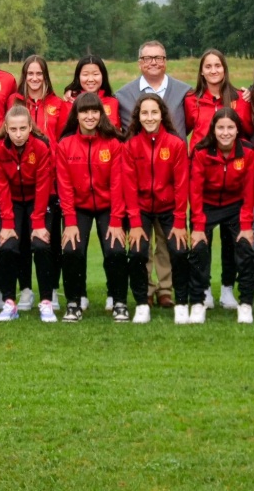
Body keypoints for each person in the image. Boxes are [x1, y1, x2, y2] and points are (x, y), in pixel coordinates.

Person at [114, 41, 192, 310]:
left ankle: (166, 290)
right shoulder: (123, 94)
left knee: (169, 245)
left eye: (158, 57)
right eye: (147, 58)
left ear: (166, 60)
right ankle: (146, 290)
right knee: (141, 246)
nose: (153, 62)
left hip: (170, 182)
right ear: (139, 62)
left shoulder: (184, 91)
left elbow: (193, 122)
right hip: (140, 188)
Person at [56, 93, 127, 323]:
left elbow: (118, 184)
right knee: (71, 249)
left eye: (94, 111)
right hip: (78, 208)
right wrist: (70, 222)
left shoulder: (113, 143)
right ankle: (74, 303)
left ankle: (119, 302)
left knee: (115, 250)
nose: (89, 116)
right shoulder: (65, 144)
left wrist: (116, 221)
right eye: (84, 111)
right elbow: (64, 186)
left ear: (101, 114)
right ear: (76, 115)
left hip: (109, 207)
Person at [122, 93, 189, 324]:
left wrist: (180, 223)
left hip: (170, 208)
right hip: (140, 209)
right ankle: (142, 303)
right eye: (145, 113)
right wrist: (135, 224)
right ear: (138, 117)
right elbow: (129, 187)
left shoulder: (176, 144)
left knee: (179, 251)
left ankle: (181, 303)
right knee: (138, 253)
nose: (149, 117)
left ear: (162, 115)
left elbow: (181, 185)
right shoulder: (130, 145)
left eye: (154, 112)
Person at [189, 108, 254, 324]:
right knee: (198, 249)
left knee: (245, 249)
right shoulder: (201, 151)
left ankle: (245, 303)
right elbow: (195, 191)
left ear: (238, 130)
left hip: (235, 206)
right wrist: (198, 227)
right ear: (213, 129)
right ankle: (199, 301)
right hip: (207, 206)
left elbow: (249, 191)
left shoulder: (248, 151)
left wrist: (246, 225)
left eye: (230, 127)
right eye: (220, 128)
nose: (225, 132)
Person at [0, 105, 54, 322]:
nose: (18, 134)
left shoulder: (42, 147)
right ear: (6, 128)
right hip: (11, 202)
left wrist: (38, 223)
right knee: (8, 246)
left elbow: (43, 185)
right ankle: (9, 303)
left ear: (30, 127)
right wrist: (7, 222)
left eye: (23, 129)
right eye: (13, 129)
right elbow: (0, 186)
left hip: (38, 201)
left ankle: (46, 301)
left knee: (41, 244)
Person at [9, 54, 66, 310]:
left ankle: (51, 290)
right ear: (24, 76)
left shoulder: (58, 104)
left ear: (45, 76)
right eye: (30, 74)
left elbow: (64, 141)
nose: (34, 78)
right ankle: (26, 291)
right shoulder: (14, 102)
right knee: (20, 241)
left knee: (49, 240)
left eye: (39, 74)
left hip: (49, 183)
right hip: (20, 183)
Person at [184, 48, 252, 150]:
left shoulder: (241, 98)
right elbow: (182, 131)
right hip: (200, 162)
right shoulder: (191, 99)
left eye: (218, 66)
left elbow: (249, 133)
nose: (213, 71)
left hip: (232, 162)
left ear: (224, 69)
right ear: (201, 72)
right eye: (208, 67)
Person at [62, 54, 122, 130]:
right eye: (85, 74)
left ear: (103, 76)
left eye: (95, 74)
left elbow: (117, 133)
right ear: (78, 77)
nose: (90, 79)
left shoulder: (113, 102)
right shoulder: (69, 101)